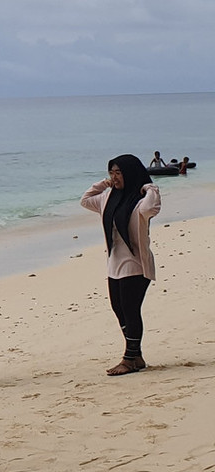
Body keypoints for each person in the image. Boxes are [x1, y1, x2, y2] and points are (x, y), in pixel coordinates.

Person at [80, 155, 161, 375]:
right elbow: (85, 200)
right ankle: (136, 355)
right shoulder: (108, 199)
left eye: (119, 173)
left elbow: (153, 207)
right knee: (118, 309)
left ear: (131, 174)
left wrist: (150, 187)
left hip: (135, 263)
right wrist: (105, 183)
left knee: (130, 310)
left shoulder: (140, 202)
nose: (114, 178)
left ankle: (129, 359)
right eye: (111, 173)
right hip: (114, 263)